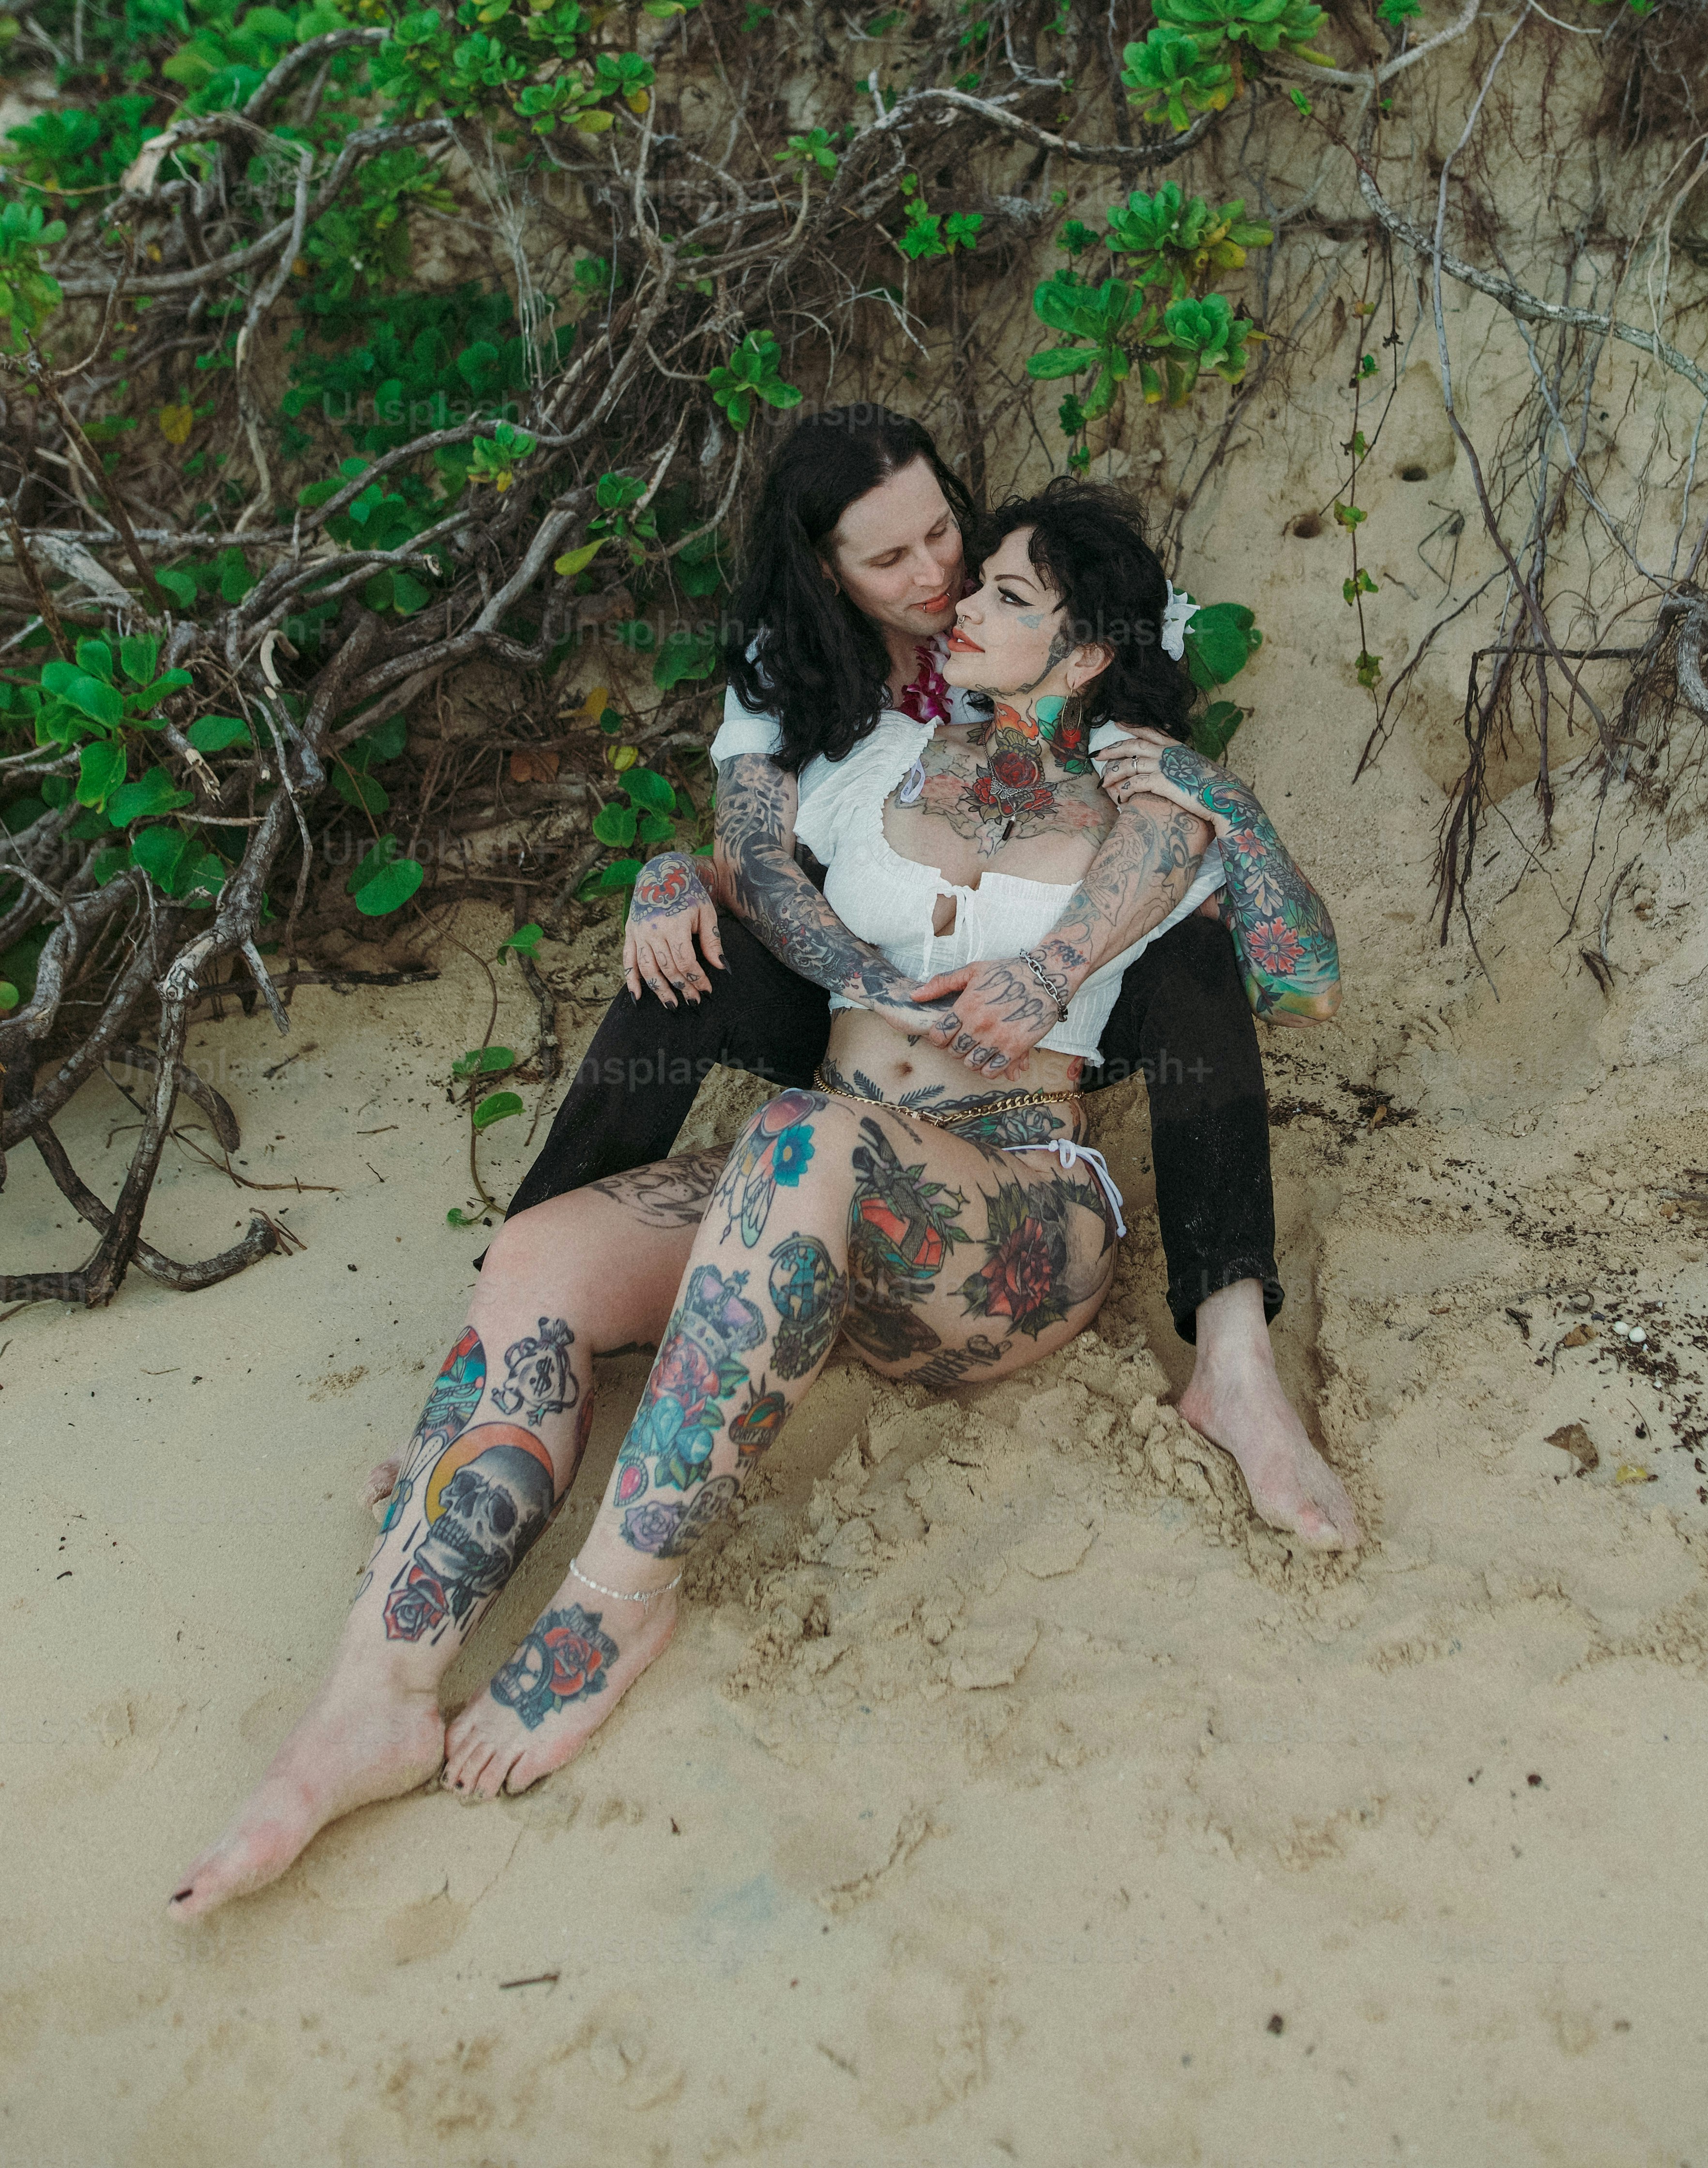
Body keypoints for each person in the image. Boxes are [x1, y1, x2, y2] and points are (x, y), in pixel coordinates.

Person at [169, 485, 1353, 1917]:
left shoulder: (1149, 814)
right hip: (801, 1201)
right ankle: (373, 1695)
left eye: (1008, 597)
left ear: (1089, 651)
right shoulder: (880, 759)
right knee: (544, 1255)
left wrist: (1229, 803)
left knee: (801, 1140)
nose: (962, 606)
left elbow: (1300, 982)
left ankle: (612, 1611)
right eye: (973, 582)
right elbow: (741, 871)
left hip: (1006, 1214)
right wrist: (671, 875)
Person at [505, 406, 1345, 1537]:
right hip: (863, 982)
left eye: (944, 533)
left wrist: (1063, 959)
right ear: (829, 573)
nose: (936, 577)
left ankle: (1234, 1359)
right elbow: (755, 859)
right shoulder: (797, 670)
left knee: (1192, 952)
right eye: (889, 559)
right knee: (687, 962)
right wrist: (815, 949)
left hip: (1038, 1021)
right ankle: (534, 1292)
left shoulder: (1033, 631)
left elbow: (1274, 954)